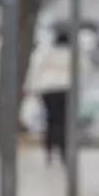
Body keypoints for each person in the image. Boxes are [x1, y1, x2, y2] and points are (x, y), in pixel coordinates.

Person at [28, 29, 74, 165]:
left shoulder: (46, 52)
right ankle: (62, 150)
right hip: (65, 89)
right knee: (63, 121)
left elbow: (36, 68)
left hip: (47, 89)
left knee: (51, 120)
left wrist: (33, 88)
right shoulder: (71, 53)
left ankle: (49, 150)